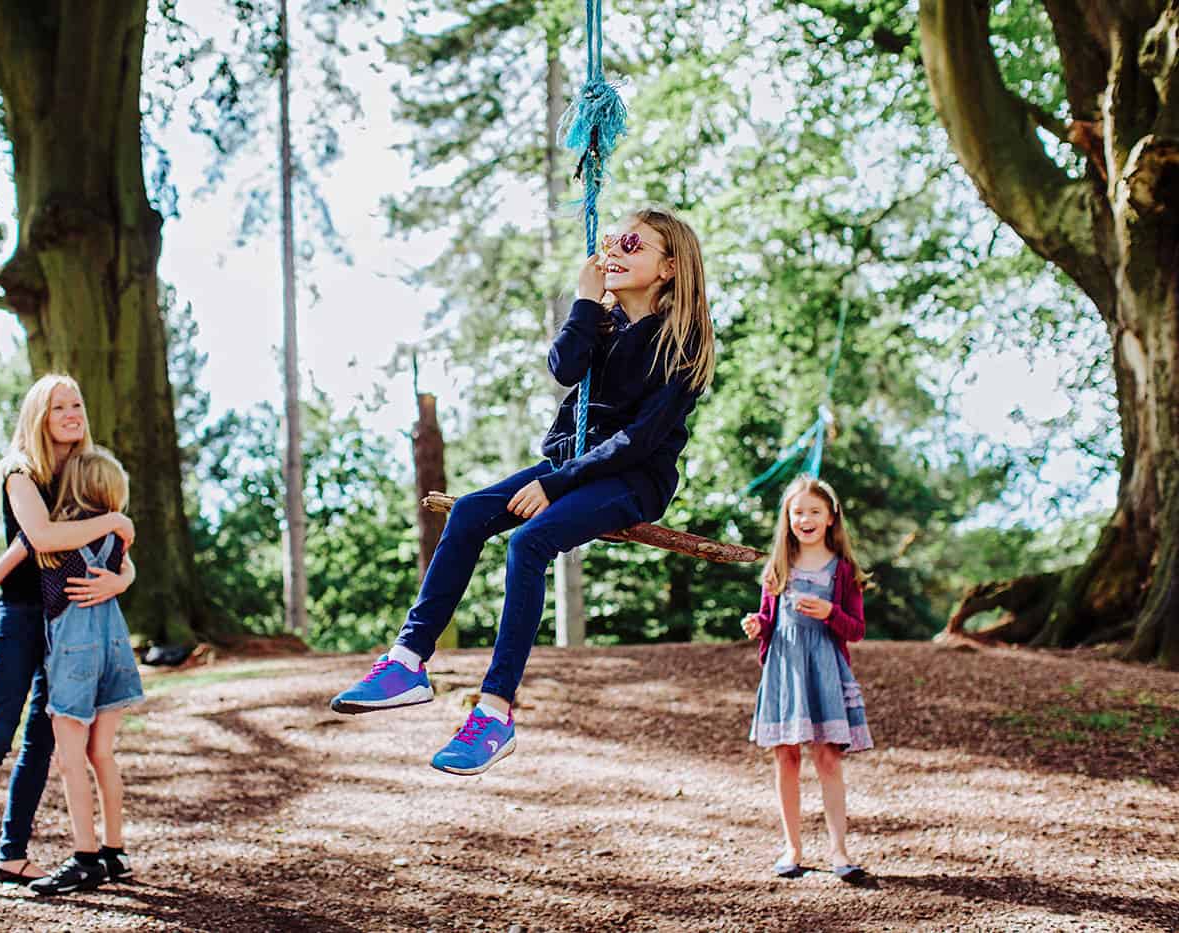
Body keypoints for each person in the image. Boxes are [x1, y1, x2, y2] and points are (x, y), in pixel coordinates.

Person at [331, 208, 715, 776]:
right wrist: (586, 301)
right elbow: (564, 367)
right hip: (569, 464)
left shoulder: (681, 344)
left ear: (668, 266)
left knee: (528, 544)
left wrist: (553, 484)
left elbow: (638, 442)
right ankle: (407, 661)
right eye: (613, 239)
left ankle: (494, 713)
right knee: (467, 515)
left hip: (631, 480)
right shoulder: (604, 324)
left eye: (632, 243)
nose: (614, 250)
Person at [0, 375, 135, 898]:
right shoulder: (20, 473)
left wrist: (120, 579)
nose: (72, 413)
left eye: (77, 403)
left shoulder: (84, 473)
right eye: (59, 407)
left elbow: (121, 558)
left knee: (42, 742)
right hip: (24, 618)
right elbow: (45, 537)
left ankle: (13, 856)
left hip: (71, 626)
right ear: (39, 416)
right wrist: (115, 520)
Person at [0, 446, 144, 896]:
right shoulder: (118, 543)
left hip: (75, 657)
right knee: (103, 755)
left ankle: (84, 857)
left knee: (71, 759)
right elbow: (124, 570)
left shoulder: (55, 544)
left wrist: (24, 541)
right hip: (115, 654)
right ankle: (116, 852)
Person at [740, 475, 872, 883]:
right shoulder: (777, 566)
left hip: (825, 667)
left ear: (831, 517)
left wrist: (829, 612)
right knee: (786, 756)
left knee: (828, 757)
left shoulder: (843, 570)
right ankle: (792, 847)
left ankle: (839, 851)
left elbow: (856, 629)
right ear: (787, 518)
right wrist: (757, 625)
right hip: (785, 666)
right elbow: (769, 618)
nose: (806, 519)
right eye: (798, 512)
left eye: (814, 511)